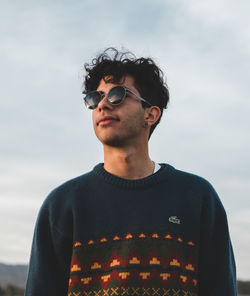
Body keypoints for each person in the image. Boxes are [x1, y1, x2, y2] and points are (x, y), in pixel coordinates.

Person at [25, 48, 237, 296]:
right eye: (95, 98)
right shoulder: (62, 204)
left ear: (151, 114)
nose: (102, 104)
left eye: (117, 95)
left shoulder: (198, 197)